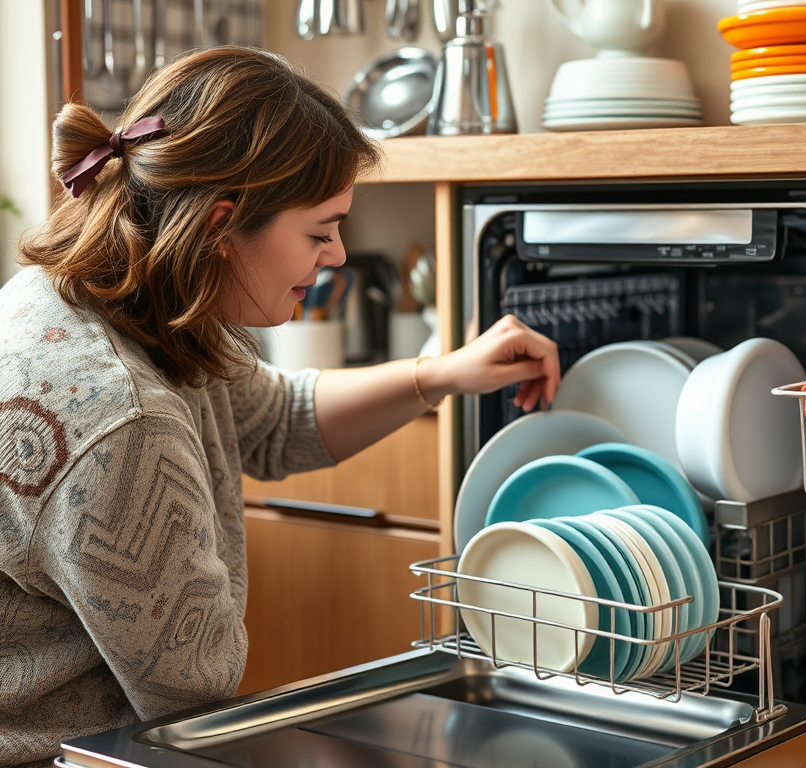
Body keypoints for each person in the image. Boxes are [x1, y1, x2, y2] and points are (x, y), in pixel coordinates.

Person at [0, 46, 559, 768]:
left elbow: (271, 421)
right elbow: (195, 691)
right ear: (221, 226)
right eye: (320, 232)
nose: (338, 256)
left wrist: (443, 374)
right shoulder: (120, 421)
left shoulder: (94, 299)